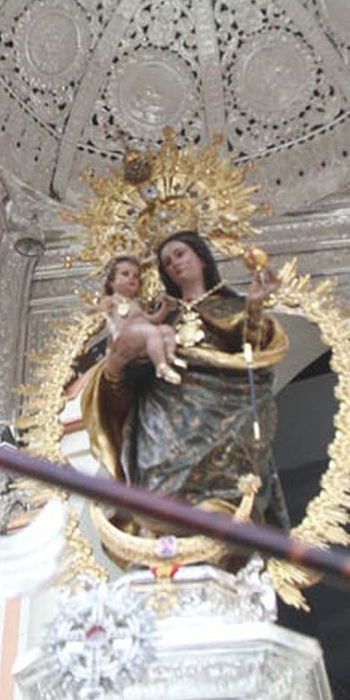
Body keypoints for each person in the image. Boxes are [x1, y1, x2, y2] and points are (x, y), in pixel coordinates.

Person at [81, 229, 288, 535]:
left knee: (228, 502)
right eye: (166, 262)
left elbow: (253, 357)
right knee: (162, 500)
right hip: (162, 424)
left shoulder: (232, 307)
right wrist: (116, 365)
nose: (174, 264)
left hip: (224, 416)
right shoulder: (162, 317)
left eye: (180, 254)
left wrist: (255, 305)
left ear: (201, 258)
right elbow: (126, 377)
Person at [99, 251, 181, 384]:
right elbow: (101, 309)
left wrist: (165, 307)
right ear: (111, 282)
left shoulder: (136, 305)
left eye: (136, 276)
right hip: (123, 340)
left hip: (140, 339)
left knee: (166, 330)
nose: (132, 278)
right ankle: (161, 366)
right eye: (125, 274)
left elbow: (153, 320)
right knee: (150, 331)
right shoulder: (112, 301)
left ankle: (170, 356)